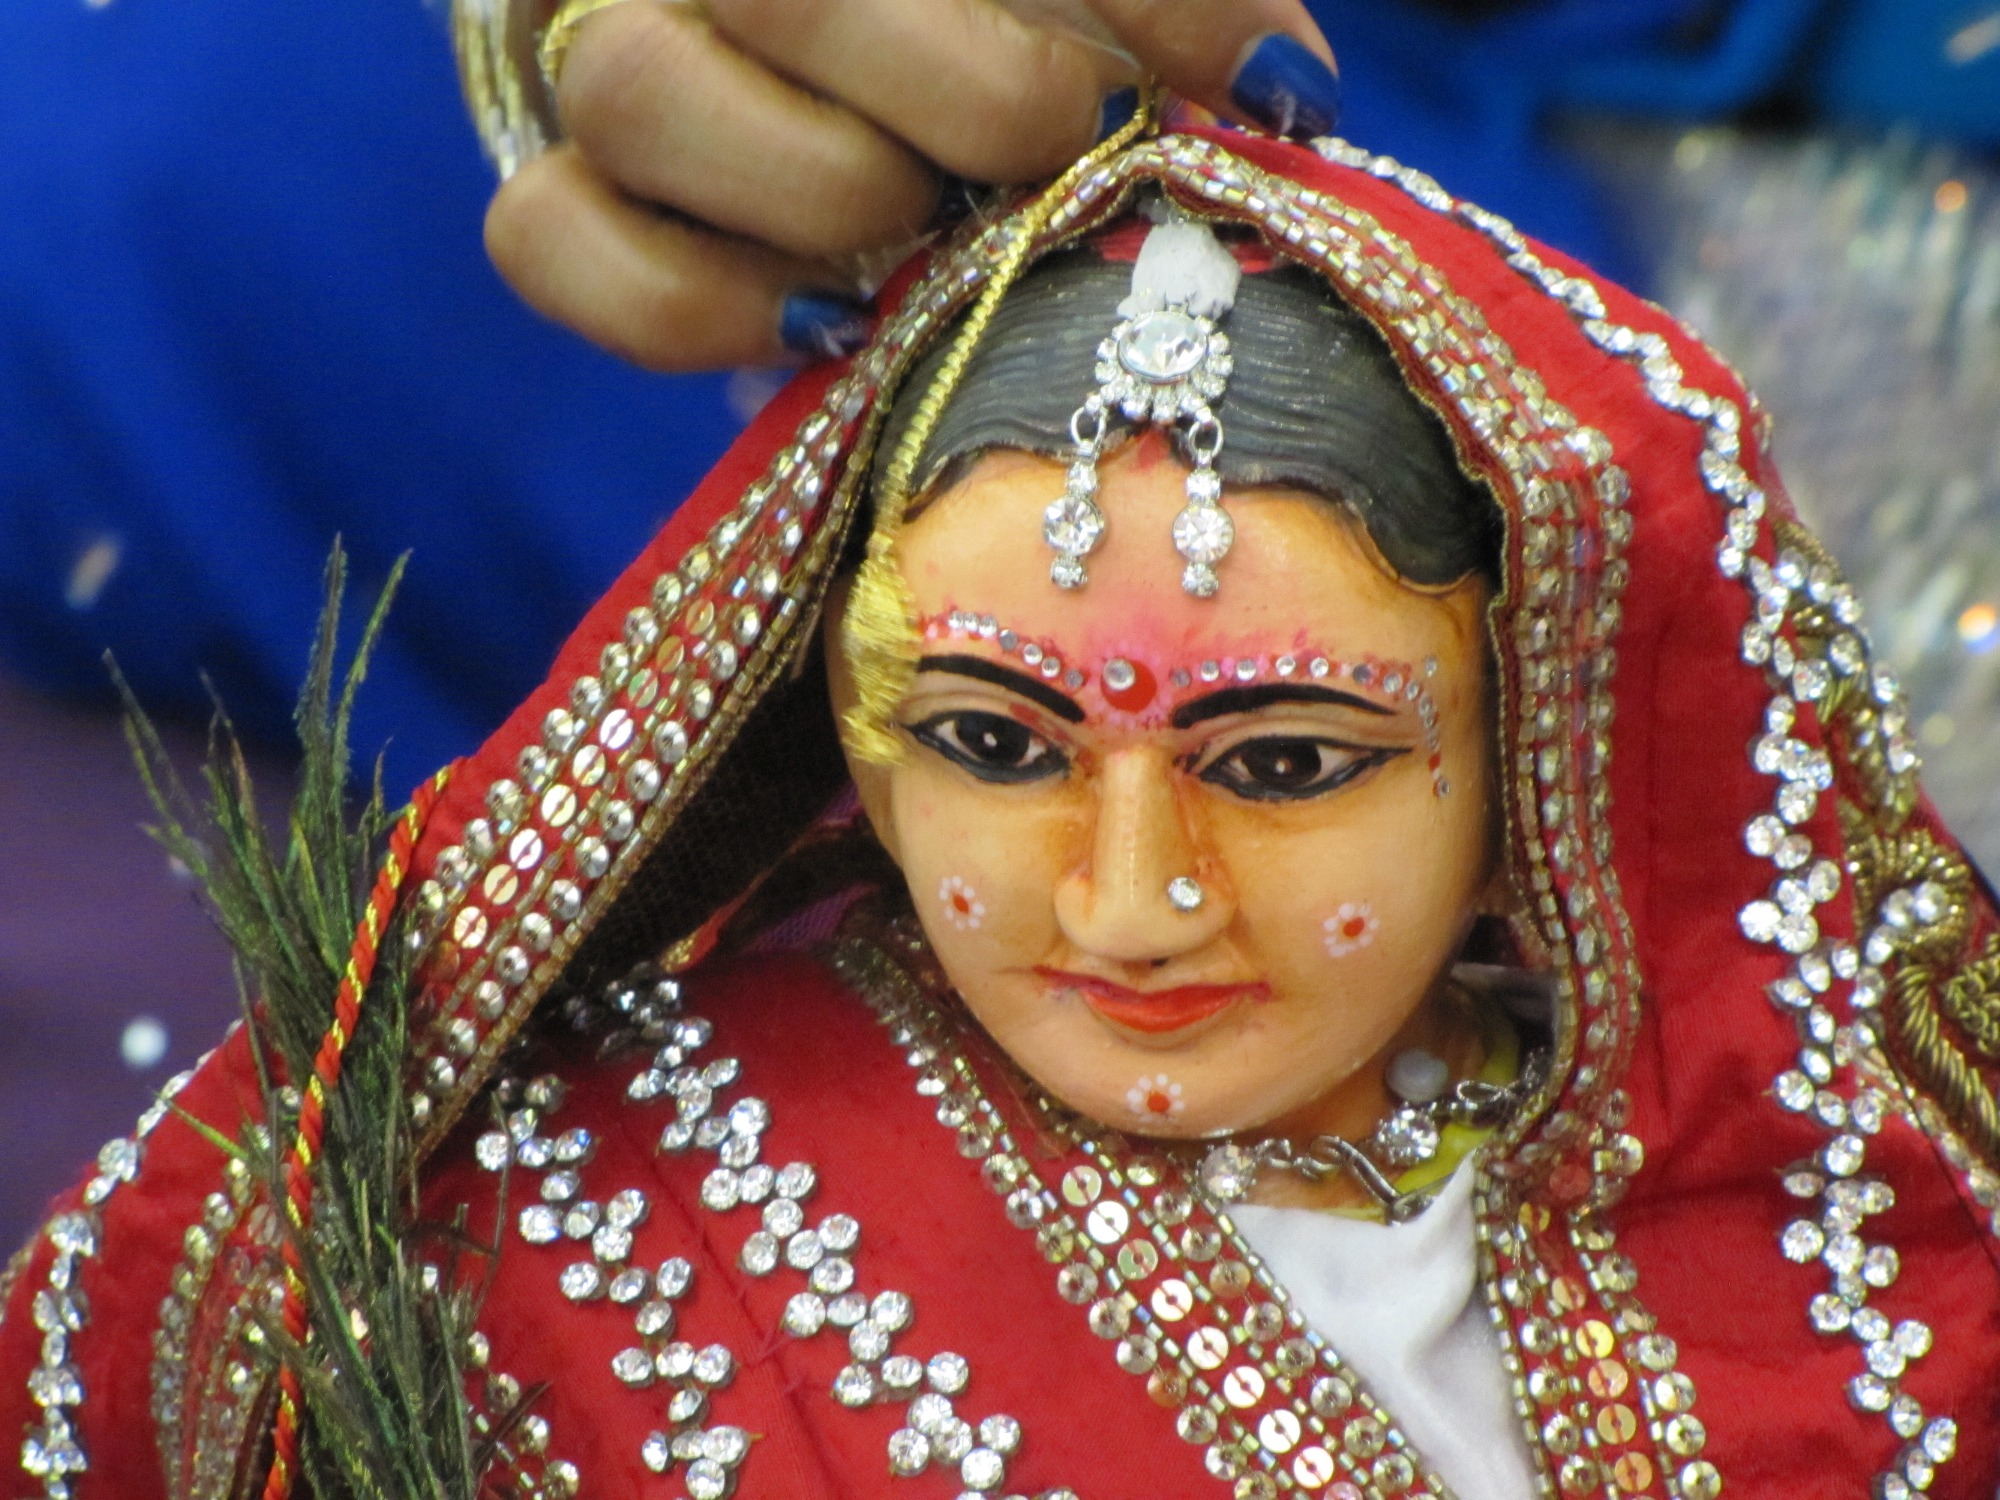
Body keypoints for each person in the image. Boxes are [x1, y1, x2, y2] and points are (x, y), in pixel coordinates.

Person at [6, 85, 2000, 1500]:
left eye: (1285, 766)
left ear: (1537, 758)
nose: (1127, 902)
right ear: (844, 735)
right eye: (989, 743)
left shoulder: (1831, 1203)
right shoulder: (559, 1245)